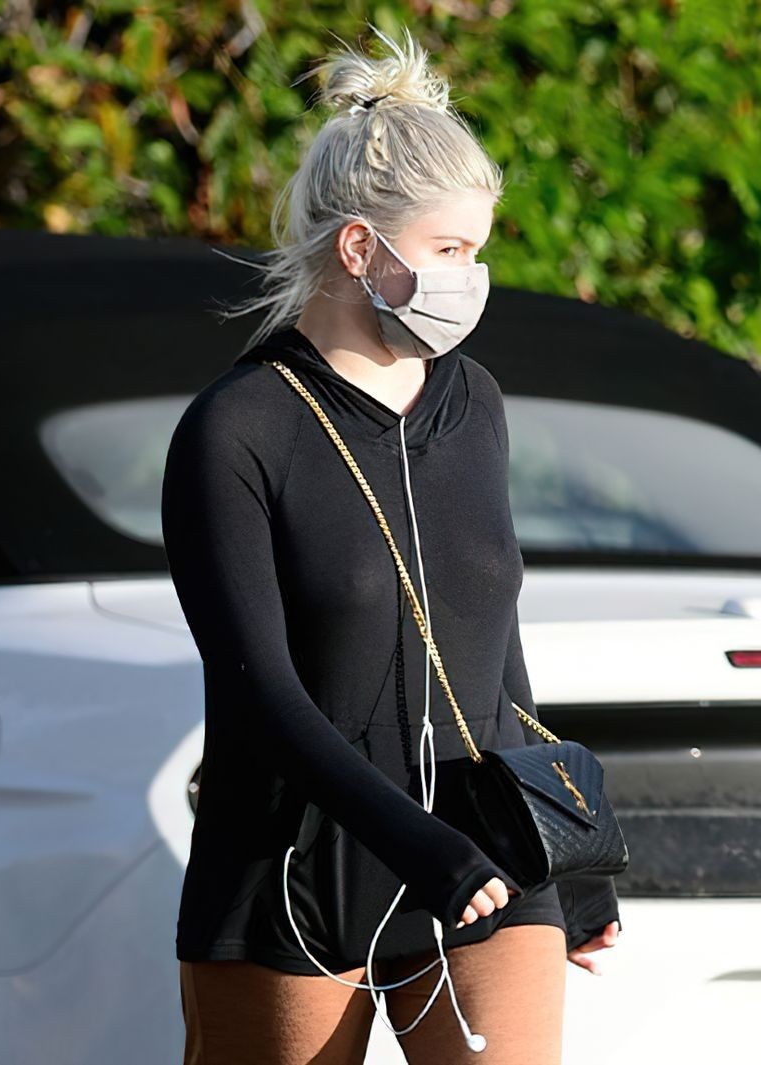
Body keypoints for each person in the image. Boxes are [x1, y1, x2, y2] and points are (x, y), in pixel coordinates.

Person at [161, 29, 622, 1064]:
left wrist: (568, 849)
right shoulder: (240, 428)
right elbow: (261, 696)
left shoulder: (475, 404)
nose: (473, 277)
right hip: (294, 866)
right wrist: (420, 846)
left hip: (484, 857)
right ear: (361, 249)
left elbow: (493, 645)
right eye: (449, 251)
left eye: (478, 250)